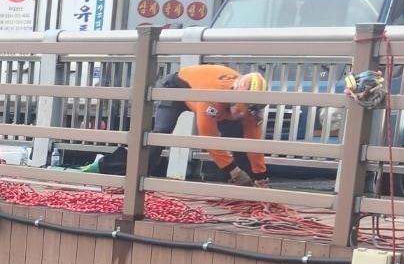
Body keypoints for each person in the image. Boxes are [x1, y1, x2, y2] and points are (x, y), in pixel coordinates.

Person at [75, 66, 269, 186]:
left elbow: (253, 143)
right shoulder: (212, 98)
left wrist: (261, 176)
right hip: (178, 85)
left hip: (215, 99)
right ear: (236, 97)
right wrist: (234, 171)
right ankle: (106, 166)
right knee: (159, 136)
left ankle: (243, 192)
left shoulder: (250, 109)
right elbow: (209, 140)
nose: (247, 114)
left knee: (239, 142)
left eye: (252, 110)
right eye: (245, 109)